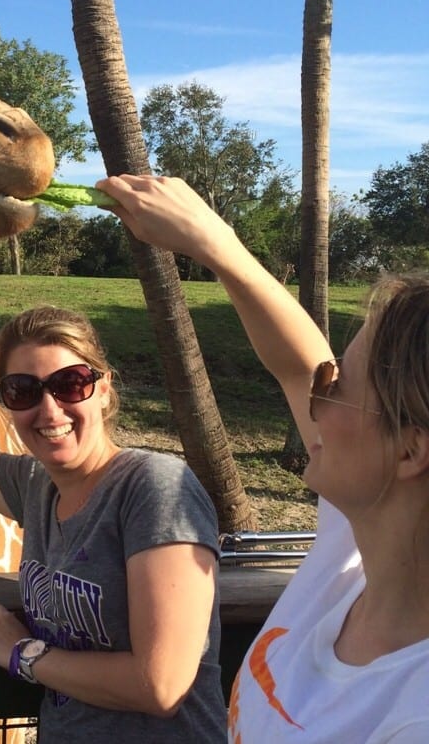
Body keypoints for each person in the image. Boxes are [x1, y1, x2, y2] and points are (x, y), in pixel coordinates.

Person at [0, 233, 226, 743]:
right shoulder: (36, 487)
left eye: (70, 384)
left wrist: (23, 653)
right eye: (23, 391)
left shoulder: (154, 488)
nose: (49, 410)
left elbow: (160, 685)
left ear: (103, 388)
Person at [98, 172, 429, 743]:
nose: (314, 404)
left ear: (409, 449)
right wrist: (211, 242)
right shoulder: (354, 554)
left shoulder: (412, 714)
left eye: (337, 386)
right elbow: (300, 363)